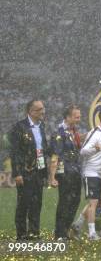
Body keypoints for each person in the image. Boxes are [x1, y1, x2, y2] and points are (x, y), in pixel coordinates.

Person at [9, 99, 49, 240]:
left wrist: (45, 171)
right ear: (31, 111)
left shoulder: (42, 126)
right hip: (25, 172)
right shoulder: (19, 127)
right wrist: (17, 173)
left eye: (43, 108)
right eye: (39, 109)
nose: (43, 111)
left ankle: (34, 233)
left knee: (37, 204)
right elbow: (15, 152)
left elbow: (42, 149)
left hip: (39, 171)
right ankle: (21, 234)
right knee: (23, 204)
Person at [78, 106, 101, 240]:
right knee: (93, 203)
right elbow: (83, 151)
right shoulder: (96, 133)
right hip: (90, 172)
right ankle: (92, 233)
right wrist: (95, 148)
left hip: (100, 173)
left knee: (94, 203)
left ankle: (77, 225)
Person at [49, 104, 83, 240]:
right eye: (76, 117)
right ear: (68, 117)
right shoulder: (59, 134)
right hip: (65, 173)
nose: (79, 119)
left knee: (75, 201)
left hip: (75, 172)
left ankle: (66, 229)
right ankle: (60, 233)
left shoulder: (73, 132)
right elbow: (54, 157)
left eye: (79, 117)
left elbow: (77, 144)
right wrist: (52, 177)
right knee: (65, 202)